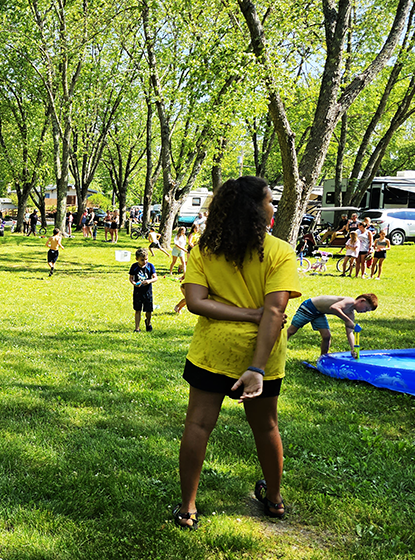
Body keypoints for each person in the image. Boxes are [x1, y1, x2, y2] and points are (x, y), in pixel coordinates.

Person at [175, 176, 301, 530]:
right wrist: (257, 367)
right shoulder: (280, 251)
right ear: (255, 208)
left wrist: (244, 313)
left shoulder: (203, 249)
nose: (272, 207)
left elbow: (197, 303)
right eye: (269, 201)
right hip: (264, 353)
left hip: (212, 351)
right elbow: (274, 313)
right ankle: (274, 499)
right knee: (266, 426)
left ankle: (188, 508)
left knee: (198, 424)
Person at [286, 294, 378, 356]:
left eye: (367, 311)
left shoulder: (350, 314)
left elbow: (349, 332)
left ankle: (323, 358)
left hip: (318, 313)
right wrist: (347, 320)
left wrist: (353, 348)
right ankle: (276, 346)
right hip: (309, 307)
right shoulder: (349, 301)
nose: (364, 311)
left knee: (326, 336)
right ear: (362, 300)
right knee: (291, 331)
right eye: (365, 308)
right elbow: (334, 307)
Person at [128, 248, 158, 332]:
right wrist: (134, 283)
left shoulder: (150, 266)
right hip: (138, 292)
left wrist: (149, 281)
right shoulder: (134, 267)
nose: (145, 261)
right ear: (137, 259)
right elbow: (131, 278)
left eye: (146, 259)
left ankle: (148, 323)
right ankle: (137, 328)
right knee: (138, 309)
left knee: (148, 310)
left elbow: (155, 278)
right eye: (142, 260)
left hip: (147, 291)